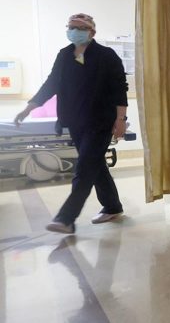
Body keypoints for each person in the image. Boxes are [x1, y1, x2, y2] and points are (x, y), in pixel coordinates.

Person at [14, 13, 128, 234]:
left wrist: (120, 119)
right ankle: (113, 206)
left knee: (85, 167)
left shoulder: (106, 55)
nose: (74, 31)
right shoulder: (65, 55)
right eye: (71, 27)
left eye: (79, 27)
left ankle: (66, 218)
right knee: (95, 165)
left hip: (100, 122)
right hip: (76, 122)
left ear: (92, 32)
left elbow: (119, 88)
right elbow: (51, 83)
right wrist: (29, 108)